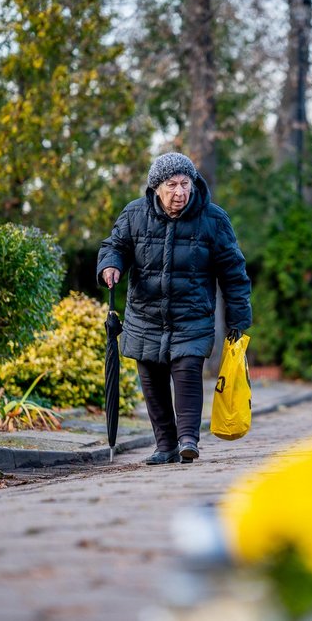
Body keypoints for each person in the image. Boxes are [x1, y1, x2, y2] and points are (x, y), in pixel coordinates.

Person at [97, 152, 252, 465]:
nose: (180, 192)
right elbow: (115, 246)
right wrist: (110, 265)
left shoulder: (213, 219)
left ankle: (188, 440)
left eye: (186, 184)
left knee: (187, 373)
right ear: (157, 187)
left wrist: (238, 319)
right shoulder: (134, 214)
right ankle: (165, 445)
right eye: (172, 185)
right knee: (152, 381)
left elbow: (234, 271)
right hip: (145, 315)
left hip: (191, 315)